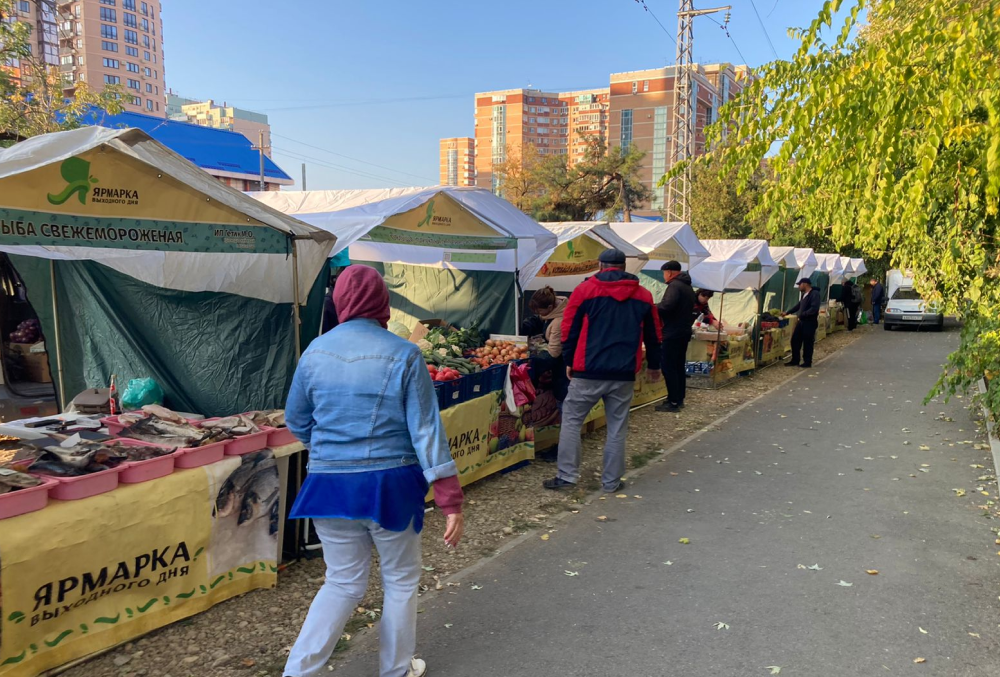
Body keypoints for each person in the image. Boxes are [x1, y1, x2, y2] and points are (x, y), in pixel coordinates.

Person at [283, 265, 464, 677]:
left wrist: (328, 451)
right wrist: (449, 497)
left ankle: (297, 672)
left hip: (328, 486)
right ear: (384, 302)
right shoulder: (404, 353)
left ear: (339, 302)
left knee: (341, 582)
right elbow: (426, 430)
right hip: (390, 486)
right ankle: (395, 671)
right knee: (400, 580)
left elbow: (296, 419)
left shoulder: (314, 352)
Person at [543, 249, 662, 494]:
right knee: (617, 428)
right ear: (624, 266)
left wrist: (569, 360)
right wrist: (654, 365)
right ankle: (611, 482)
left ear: (600, 265)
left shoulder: (584, 291)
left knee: (572, 422)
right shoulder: (643, 295)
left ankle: (567, 477)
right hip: (623, 372)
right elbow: (654, 333)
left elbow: (569, 328)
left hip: (587, 370)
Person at [655, 260, 696, 413]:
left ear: (670, 272)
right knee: (678, 366)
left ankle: (672, 401)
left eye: (664, 273)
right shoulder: (687, 286)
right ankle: (679, 398)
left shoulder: (674, 286)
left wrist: (654, 307)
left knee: (669, 366)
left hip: (672, 332)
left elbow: (667, 306)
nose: (664, 276)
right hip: (683, 331)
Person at [783, 277, 821, 368]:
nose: (799, 287)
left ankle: (807, 362)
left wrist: (803, 314)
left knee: (807, 342)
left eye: (800, 284)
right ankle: (795, 360)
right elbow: (799, 305)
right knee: (795, 340)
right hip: (802, 321)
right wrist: (787, 312)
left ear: (805, 284)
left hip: (809, 322)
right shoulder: (804, 294)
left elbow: (814, 308)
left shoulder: (814, 294)